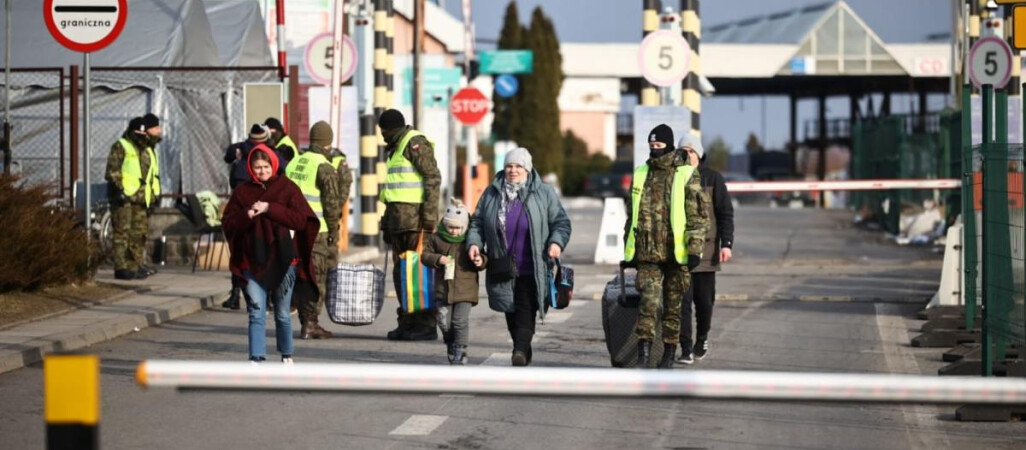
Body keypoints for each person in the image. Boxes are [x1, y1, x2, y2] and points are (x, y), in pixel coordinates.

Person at [467, 148, 571, 367]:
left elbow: (561, 222)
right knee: (510, 311)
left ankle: (519, 351)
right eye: (509, 166)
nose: (513, 170)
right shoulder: (492, 193)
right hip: (502, 264)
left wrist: (556, 242)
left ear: (528, 168)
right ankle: (523, 347)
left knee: (526, 308)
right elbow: (477, 222)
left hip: (533, 265)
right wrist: (474, 243)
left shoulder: (543, 192)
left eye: (518, 166)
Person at [221, 145, 320, 364]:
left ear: (274, 164)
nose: (262, 171)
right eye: (257, 167)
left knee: (283, 313)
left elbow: (301, 220)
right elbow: (228, 222)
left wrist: (269, 208)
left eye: (266, 166)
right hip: (252, 261)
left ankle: (286, 355)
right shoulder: (242, 192)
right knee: (256, 311)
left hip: (285, 260)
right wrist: (246, 215)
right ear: (250, 168)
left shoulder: (287, 188)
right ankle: (256, 358)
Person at [623, 124, 709, 369]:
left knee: (673, 308)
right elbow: (632, 216)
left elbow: (698, 217)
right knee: (647, 304)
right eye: (651, 147)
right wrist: (628, 251)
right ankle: (643, 356)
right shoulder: (641, 173)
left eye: (659, 146)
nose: (655, 151)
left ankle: (669, 354)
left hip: (676, 254)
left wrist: (694, 248)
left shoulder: (685, 173)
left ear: (669, 147)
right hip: (648, 253)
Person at [377, 109, 442, 341]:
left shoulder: (414, 143)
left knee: (419, 274)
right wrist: (386, 223)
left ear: (391, 129)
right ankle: (406, 321)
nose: (383, 136)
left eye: (384, 131)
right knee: (402, 276)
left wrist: (430, 218)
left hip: (416, 223)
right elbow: (392, 191)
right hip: (399, 223)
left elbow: (432, 178)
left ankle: (425, 324)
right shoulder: (395, 148)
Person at [676, 134, 733, 364]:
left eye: (691, 150)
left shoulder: (713, 179)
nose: (687, 155)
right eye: (683, 150)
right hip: (679, 253)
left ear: (699, 153)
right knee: (682, 303)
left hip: (706, 252)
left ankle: (702, 337)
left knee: (704, 301)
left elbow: (725, 214)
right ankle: (686, 348)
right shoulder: (675, 178)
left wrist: (727, 244)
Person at [285, 121, 342, 339]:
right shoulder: (324, 167)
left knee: (300, 275)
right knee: (315, 277)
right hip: (317, 231)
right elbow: (331, 205)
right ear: (328, 141)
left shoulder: (295, 162)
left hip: (293, 228)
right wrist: (334, 236)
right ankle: (310, 324)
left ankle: (304, 320)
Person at [222, 123, 285, 309]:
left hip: (242, 207)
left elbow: (228, 157)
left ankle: (236, 294)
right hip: (263, 207)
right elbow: (283, 168)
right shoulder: (269, 153)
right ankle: (269, 296)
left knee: (240, 251)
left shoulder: (240, 149)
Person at [421, 198, 487, 365]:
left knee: (459, 321)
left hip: (465, 290)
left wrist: (481, 261)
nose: (453, 231)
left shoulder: (470, 241)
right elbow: (425, 256)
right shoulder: (436, 239)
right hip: (443, 289)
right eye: (450, 227)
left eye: (458, 228)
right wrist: (437, 259)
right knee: (443, 321)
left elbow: (484, 256)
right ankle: (450, 343)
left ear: (464, 227)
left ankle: (460, 348)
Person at [105, 114, 162, 280]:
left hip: (140, 199)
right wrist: (119, 190)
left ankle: (134, 265)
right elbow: (112, 170)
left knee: (138, 234)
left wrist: (153, 197)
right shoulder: (121, 146)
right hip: (124, 198)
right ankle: (121, 267)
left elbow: (151, 175)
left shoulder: (145, 149)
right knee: (122, 234)